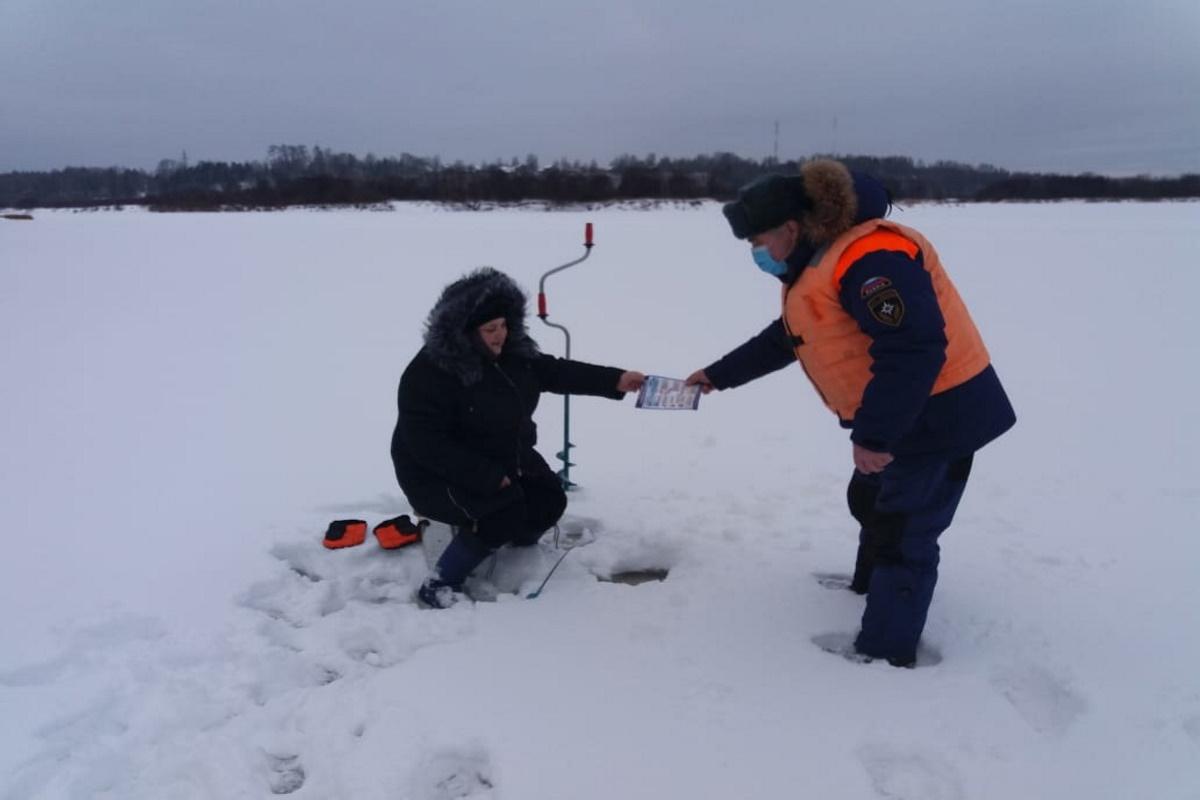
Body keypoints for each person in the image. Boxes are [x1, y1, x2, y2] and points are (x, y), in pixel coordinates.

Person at [686, 159, 1015, 667]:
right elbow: (792, 335)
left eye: (759, 241)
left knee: (904, 534)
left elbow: (914, 348)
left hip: (937, 417)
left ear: (791, 228)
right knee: (871, 499)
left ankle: (884, 653)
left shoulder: (871, 257)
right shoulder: (818, 261)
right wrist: (718, 374)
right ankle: (868, 587)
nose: (757, 253)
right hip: (903, 414)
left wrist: (876, 437)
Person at [392, 267, 644, 608]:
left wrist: (616, 380)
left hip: (502, 452)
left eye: (504, 325)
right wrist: (488, 477)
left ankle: (506, 547)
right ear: (464, 333)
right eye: (490, 329)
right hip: (435, 472)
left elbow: (556, 371)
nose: (500, 335)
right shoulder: (428, 375)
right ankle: (441, 582)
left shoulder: (513, 356)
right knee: (501, 512)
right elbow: (426, 444)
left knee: (549, 502)